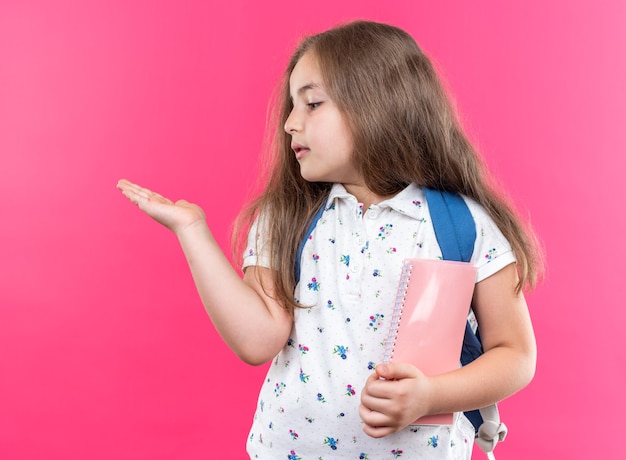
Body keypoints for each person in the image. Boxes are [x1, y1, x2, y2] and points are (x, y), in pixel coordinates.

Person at [117, 20, 542, 460]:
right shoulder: (286, 217)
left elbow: (514, 355)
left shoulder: (461, 224)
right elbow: (258, 340)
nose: (289, 123)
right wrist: (192, 231)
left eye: (312, 103)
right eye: (291, 106)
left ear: (379, 103)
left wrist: (431, 395)